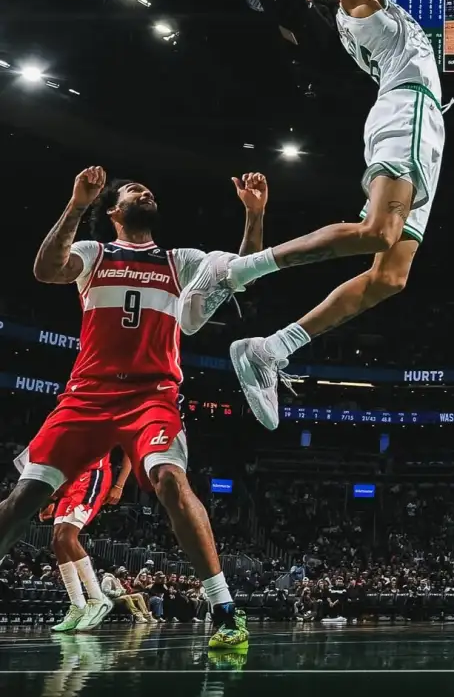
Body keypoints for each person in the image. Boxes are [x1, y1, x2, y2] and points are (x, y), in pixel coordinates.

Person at [178, 0, 446, 432]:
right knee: (378, 232)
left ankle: (270, 349)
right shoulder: (361, 8)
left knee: (389, 276)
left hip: (418, 123)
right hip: (409, 115)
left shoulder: (360, 9)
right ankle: (236, 271)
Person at [0, 167, 267, 650]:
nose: (145, 192)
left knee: (170, 480)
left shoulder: (177, 260)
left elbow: (238, 272)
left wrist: (254, 217)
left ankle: (225, 607)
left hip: (152, 396)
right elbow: (44, 270)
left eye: (148, 190)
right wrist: (77, 203)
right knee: (23, 501)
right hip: (88, 395)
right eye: (132, 191)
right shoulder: (93, 252)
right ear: (114, 211)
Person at [31, 451, 131, 632]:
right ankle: (78, 605)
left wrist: (119, 484)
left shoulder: (106, 423)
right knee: (57, 542)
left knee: (67, 537)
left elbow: (130, 450)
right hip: (69, 483)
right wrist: (52, 497)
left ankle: (97, 598)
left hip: (93, 476)